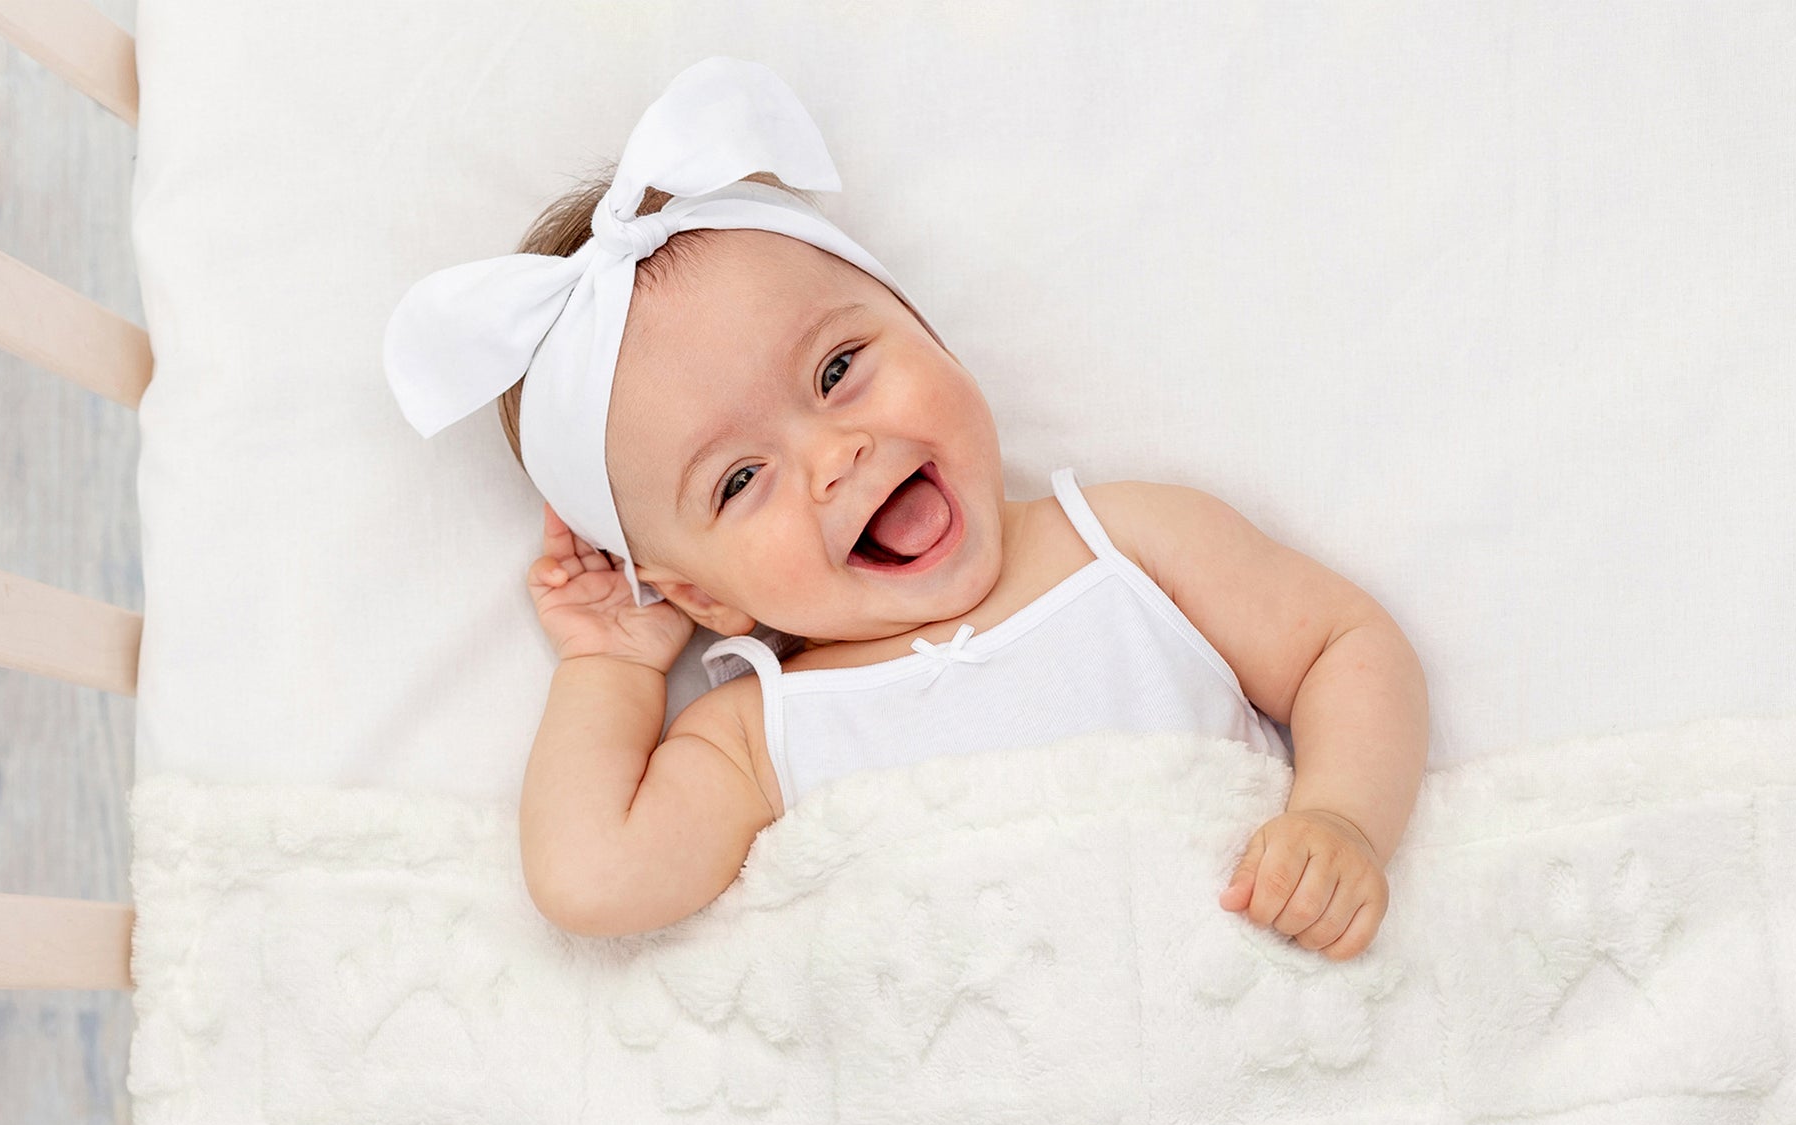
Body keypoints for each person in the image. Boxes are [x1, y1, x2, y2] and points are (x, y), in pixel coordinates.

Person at [385, 57, 1427, 951]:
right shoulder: (759, 733)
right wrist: (611, 666)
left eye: (837, 369)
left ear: (928, 332)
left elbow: (1341, 645)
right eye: (739, 479)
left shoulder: (1132, 544)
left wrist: (1340, 817)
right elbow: (591, 880)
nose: (832, 458)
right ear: (700, 596)